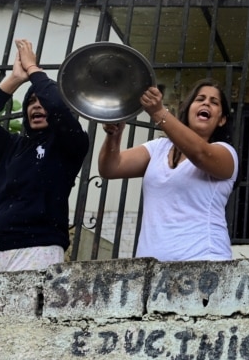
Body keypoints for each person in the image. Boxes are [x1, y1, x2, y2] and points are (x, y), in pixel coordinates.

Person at [0, 39, 90, 273]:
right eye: (31, 101)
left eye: (43, 101)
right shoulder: (12, 145)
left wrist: (33, 69)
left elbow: (59, 110)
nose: (37, 106)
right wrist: (14, 80)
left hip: (37, 246)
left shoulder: (71, 144)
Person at [98, 80, 237, 261]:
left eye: (214, 102)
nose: (206, 103)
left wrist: (158, 112)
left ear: (222, 119)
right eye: (200, 99)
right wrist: (114, 135)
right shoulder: (158, 148)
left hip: (205, 263)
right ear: (187, 110)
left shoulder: (226, 152)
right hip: (151, 268)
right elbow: (111, 168)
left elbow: (200, 154)